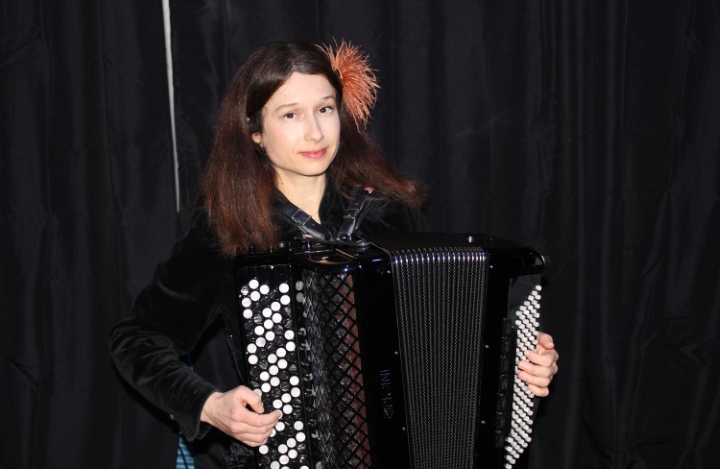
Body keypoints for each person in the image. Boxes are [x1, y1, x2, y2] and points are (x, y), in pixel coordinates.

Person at [110, 41, 559, 468]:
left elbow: (451, 335)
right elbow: (137, 339)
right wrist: (209, 405)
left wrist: (519, 361)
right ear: (254, 132)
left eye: (325, 109)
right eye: (290, 114)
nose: (315, 131)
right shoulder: (228, 230)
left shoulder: (389, 210)